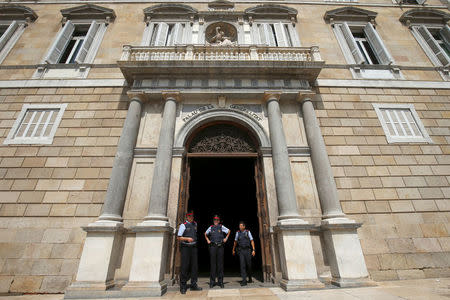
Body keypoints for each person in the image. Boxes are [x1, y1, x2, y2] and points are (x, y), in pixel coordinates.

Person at [177, 210, 202, 294]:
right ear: (187, 217)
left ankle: (194, 284)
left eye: (192, 216)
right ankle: (183, 286)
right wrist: (187, 239)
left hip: (193, 247)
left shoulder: (195, 224)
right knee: (185, 266)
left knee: (194, 266)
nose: (192, 218)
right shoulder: (183, 225)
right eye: (190, 216)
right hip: (186, 248)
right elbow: (179, 237)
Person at [204, 215, 230, 288]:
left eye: (217, 220)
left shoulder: (221, 227)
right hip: (213, 247)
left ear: (219, 221)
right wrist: (207, 240)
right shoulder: (211, 227)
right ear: (213, 221)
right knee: (213, 264)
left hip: (220, 247)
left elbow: (229, 231)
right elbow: (205, 234)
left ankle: (220, 281)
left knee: (220, 264)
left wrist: (226, 238)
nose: (216, 221)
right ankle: (212, 282)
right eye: (215, 220)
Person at [232, 221, 255, 286]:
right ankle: (244, 281)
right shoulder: (237, 233)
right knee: (242, 265)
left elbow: (252, 240)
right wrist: (233, 249)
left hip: (248, 250)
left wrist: (253, 249)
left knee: (249, 265)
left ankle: (250, 277)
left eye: (241, 226)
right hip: (241, 251)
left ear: (244, 226)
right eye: (239, 226)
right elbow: (235, 241)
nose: (240, 227)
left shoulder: (248, 232)